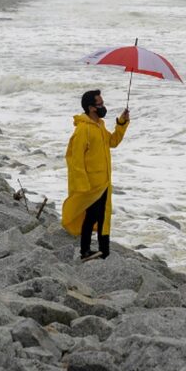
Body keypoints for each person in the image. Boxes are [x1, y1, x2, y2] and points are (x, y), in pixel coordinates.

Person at [61, 90, 130, 260]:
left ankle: (104, 251)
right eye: (100, 104)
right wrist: (82, 185)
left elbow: (113, 141)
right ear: (91, 107)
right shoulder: (83, 129)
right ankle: (85, 251)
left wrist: (122, 123)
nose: (103, 107)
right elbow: (75, 159)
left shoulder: (100, 125)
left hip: (104, 182)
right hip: (91, 185)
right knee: (92, 216)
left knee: (103, 217)